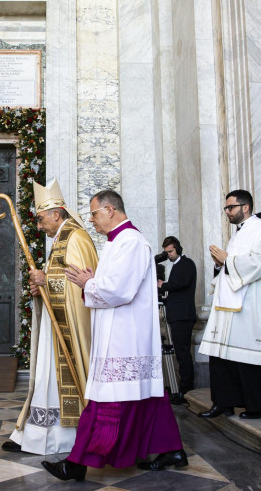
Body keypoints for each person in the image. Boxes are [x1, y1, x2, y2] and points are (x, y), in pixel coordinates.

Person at [41, 190, 186, 481]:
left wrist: (89, 282)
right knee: (146, 397)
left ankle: (77, 463)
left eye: (94, 213)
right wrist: (95, 280)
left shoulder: (130, 242)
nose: (91, 220)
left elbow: (119, 290)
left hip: (123, 339)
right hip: (122, 335)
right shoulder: (120, 242)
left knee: (105, 404)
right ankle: (172, 450)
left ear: (110, 210)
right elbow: (114, 283)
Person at [3, 178, 98, 455]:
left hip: (68, 326)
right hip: (53, 324)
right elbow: (57, 281)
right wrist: (38, 287)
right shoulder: (60, 239)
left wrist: (47, 280)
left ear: (57, 214)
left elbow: (82, 285)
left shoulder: (76, 237)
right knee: (45, 378)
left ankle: (64, 438)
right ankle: (35, 434)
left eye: (42, 218)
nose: (39, 225)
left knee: (55, 380)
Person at [198, 190, 261, 420]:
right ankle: (224, 403)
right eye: (226, 208)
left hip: (250, 305)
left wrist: (227, 260)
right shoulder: (239, 233)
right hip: (231, 303)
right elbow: (232, 265)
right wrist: (220, 264)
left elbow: (260, 264)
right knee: (221, 356)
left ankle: (260, 406)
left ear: (245, 207)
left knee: (248, 359)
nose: (227, 212)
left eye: (231, 207)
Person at [158, 236, 197, 405]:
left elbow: (181, 284)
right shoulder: (176, 265)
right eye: (166, 253)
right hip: (176, 314)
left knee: (183, 354)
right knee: (180, 354)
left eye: (171, 252)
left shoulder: (186, 264)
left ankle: (186, 390)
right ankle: (182, 388)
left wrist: (162, 285)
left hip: (183, 315)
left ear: (178, 249)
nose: (169, 255)